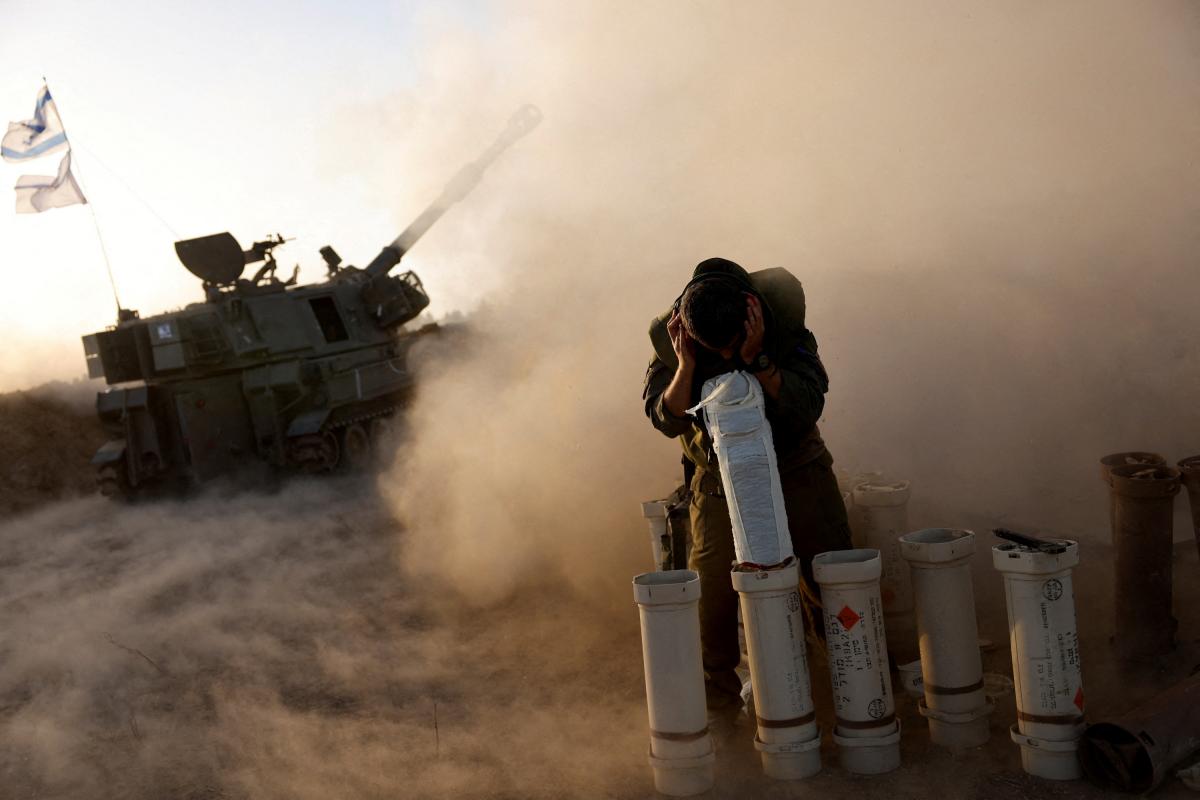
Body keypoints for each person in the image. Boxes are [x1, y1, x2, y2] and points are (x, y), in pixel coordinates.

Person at [642, 256, 852, 721]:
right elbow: (665, 418)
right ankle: (717, 703)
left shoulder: (781, 318)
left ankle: (844, 685)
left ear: (751, 315)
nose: (724, 358)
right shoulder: (673, 336)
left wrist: (758, 360)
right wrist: (686, 365)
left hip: (796, 463)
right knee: (711, 595)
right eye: (712, 349)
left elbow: (807, 403)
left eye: (730, 345)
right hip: (716, 478)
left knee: (831, 576)